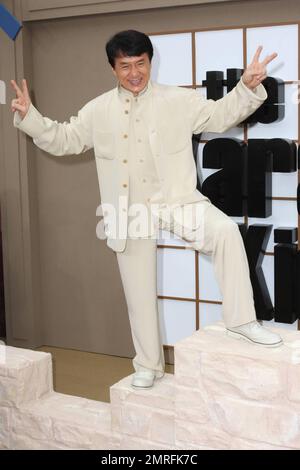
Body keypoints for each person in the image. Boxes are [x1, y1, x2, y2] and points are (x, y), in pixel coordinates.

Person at [11, 30, 283, 390]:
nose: (135, 72)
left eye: (141, 63)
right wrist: (31, 116)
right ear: (113, 68)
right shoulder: (98, 110)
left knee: (225, 232)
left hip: (176, 200)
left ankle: (241, 321)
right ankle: (148, 365)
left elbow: (219, 116)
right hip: (128, 211)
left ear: (150, 62)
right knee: (138, 292)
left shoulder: (178, 100)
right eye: (126, 66)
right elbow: (65, 140)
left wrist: (246, 87)